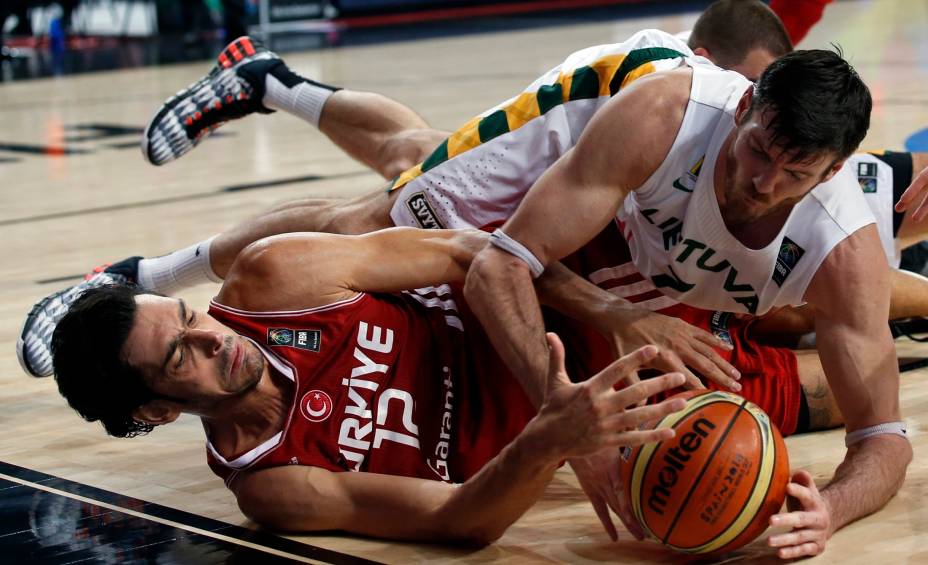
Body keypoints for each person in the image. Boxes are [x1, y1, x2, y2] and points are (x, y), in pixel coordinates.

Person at [50, 227, 689, 543]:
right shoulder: (273, 485)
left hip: (562, 299)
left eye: (191, 316)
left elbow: (473, 255)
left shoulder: (272, 280)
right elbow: (459, 520)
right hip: (597, 415)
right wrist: (551, 440)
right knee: (782, 401)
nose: (214, 337)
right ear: (160, 410)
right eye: (180, 354)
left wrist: (601, 319)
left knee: (786, 302)